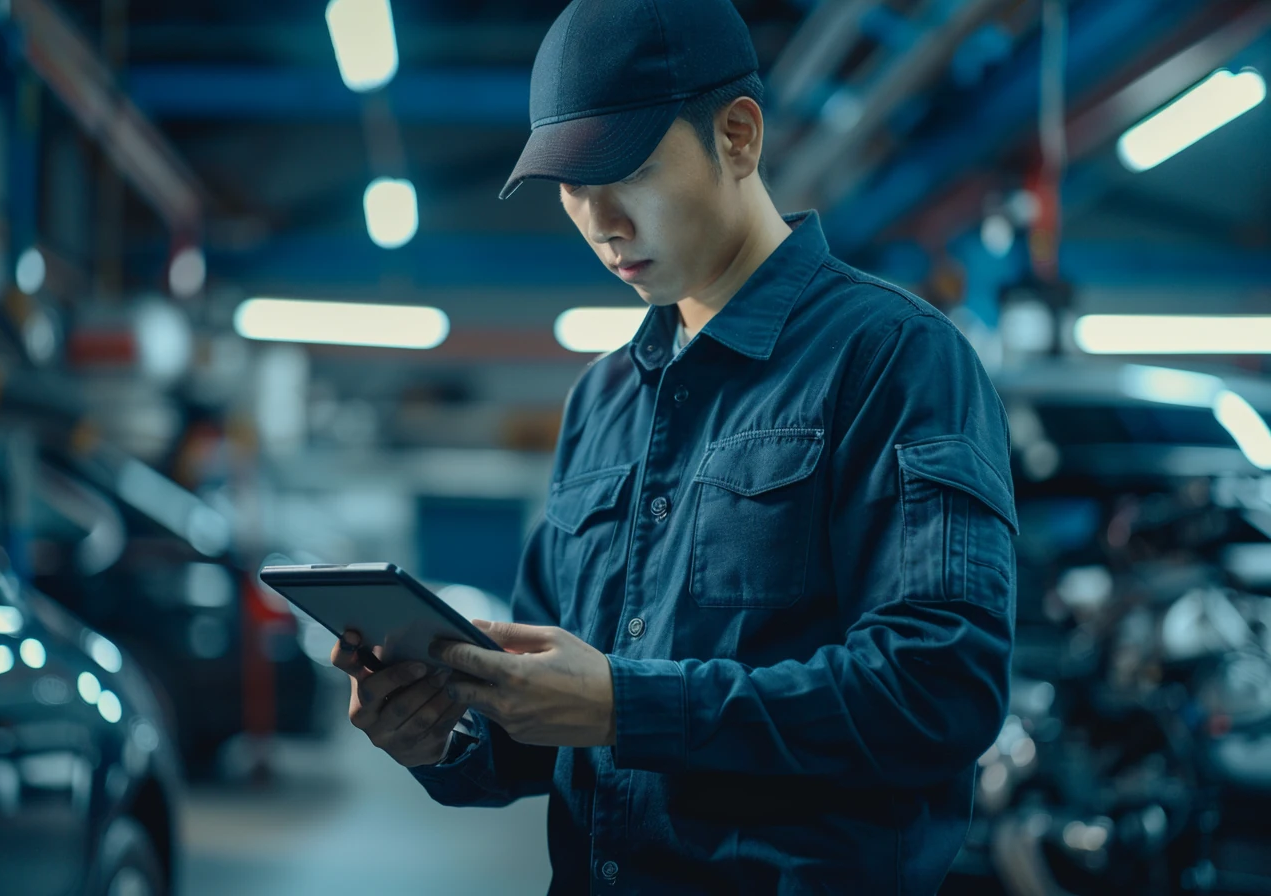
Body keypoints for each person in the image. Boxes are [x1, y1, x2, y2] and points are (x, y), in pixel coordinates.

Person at [331, 0, 1019, 892]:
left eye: (630, 172)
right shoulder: (603, 399)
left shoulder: (896, 358)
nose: (599, 220)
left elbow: (940, 689)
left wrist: (628, 705)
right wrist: (441, 733)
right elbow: (549, 727)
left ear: (737, 138)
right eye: (571, 187)